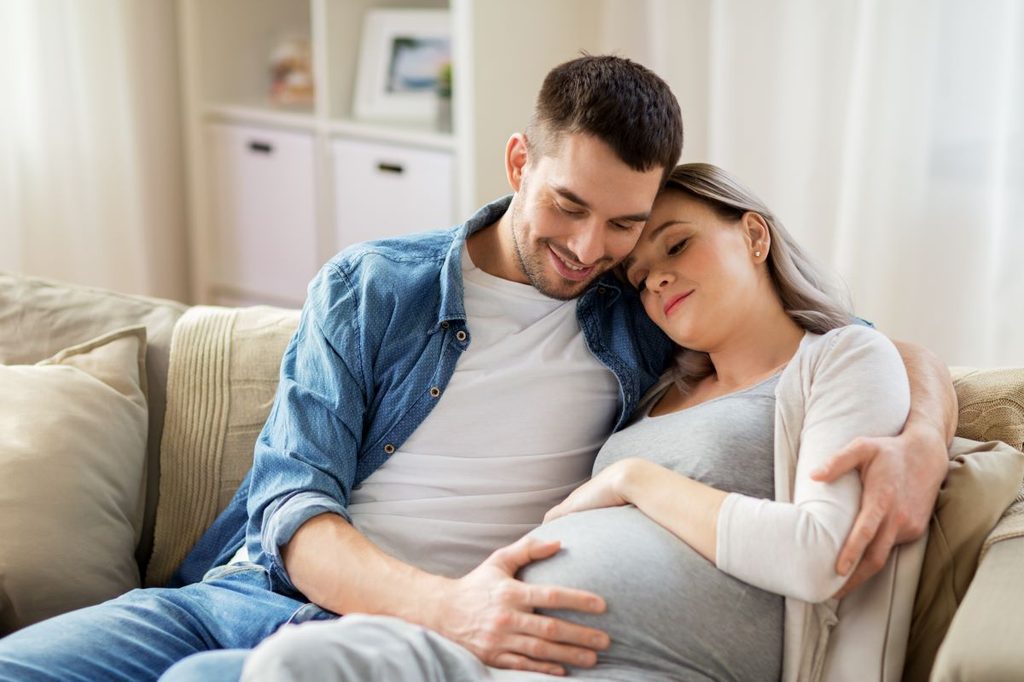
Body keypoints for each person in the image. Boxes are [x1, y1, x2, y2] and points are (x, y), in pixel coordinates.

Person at [0, 57, 953, 682]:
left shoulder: (643, 307)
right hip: (252, 597)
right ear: (517, 162)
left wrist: (919, 434)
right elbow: (291, 511)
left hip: (414, 651)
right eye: (568, 205)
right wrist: (456, 607)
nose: (590, 248)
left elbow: (828, 334)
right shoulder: (376, 287)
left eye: (625, 223)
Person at [229, 163, 929, 682]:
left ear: (753, 235)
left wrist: (633, 479)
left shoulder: (832, 361)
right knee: (289, 666)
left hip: (641, 662)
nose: (653, 278)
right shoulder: (655, 382)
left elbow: (818, 552)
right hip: (492, 640)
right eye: (639, 272)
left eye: (677, 246)